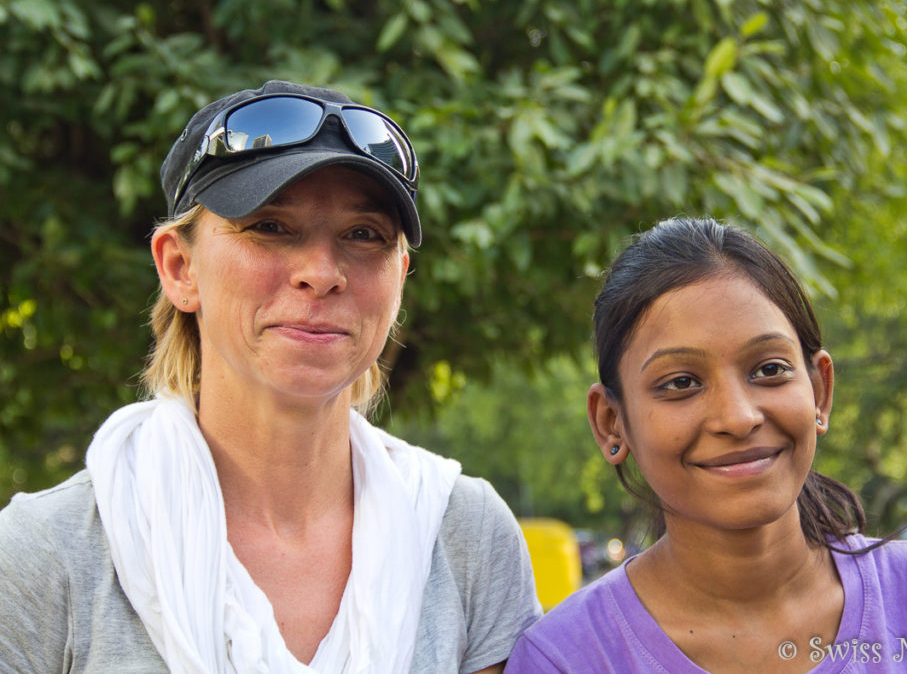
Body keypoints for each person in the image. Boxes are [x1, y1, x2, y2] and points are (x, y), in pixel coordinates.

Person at [0, 80, 541, 673]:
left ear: (400, 277)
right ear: (179, 267)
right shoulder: (45, 552)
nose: (321, 273)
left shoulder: (466, 536)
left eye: (364, 235)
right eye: (270, 227)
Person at [506, 217, 907, 673]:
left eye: (769, 370)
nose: (737, 416)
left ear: (819, 390)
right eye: (681, 382)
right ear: (611, 423)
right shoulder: (569, 659)